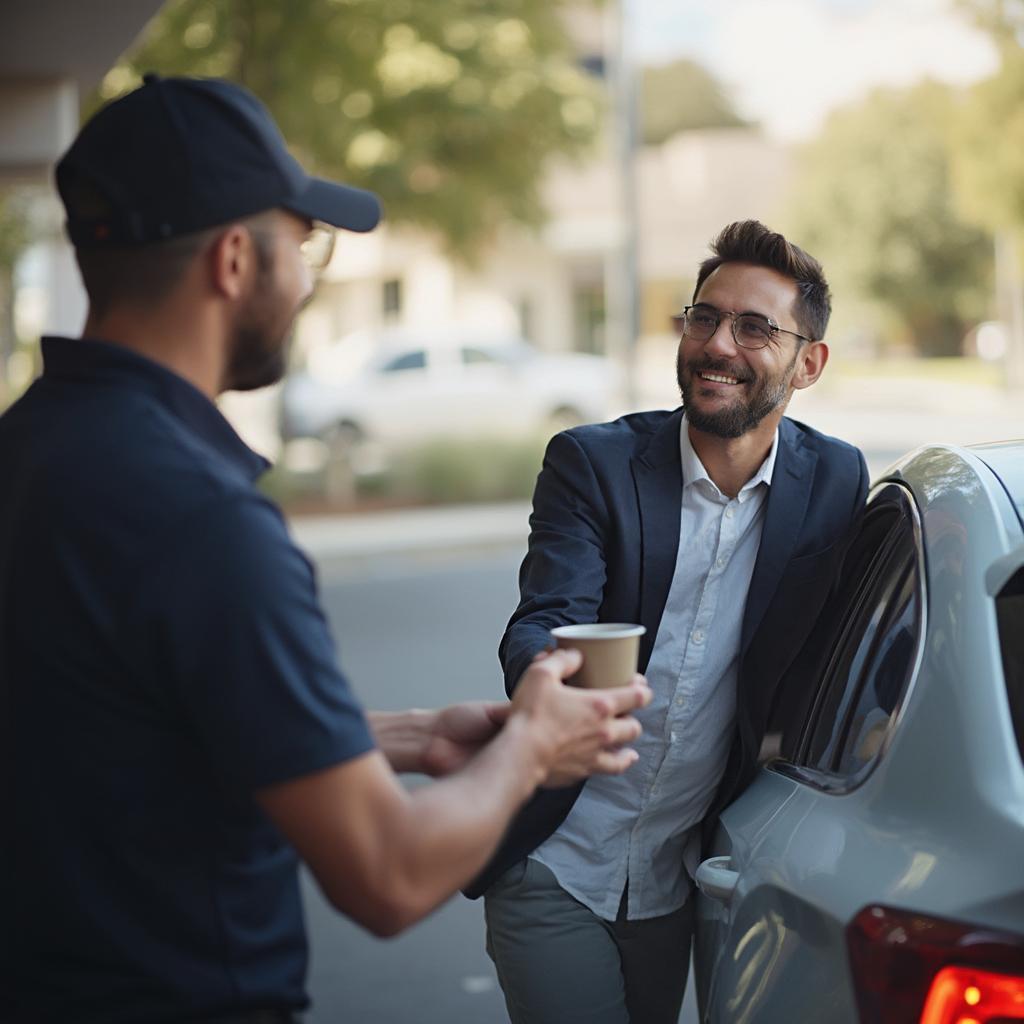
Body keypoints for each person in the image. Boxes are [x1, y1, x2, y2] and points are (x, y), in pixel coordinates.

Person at [0, 75, 653, 1024]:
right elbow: (386, 875)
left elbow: (121, 721)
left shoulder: (30, 449)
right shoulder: (204, 521)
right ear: (233, 260)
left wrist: (408, 738)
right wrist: (533, 752)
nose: (308, 281)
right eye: (302, 246)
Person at [474, 220, 870, 1024]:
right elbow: (544, 618)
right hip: (557, 856)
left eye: (754, 327)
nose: (717, 344)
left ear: (809, 363)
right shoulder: (594, 465)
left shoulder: (833, 480)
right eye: (703, 317)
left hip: (683, 881)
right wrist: (552, 678)